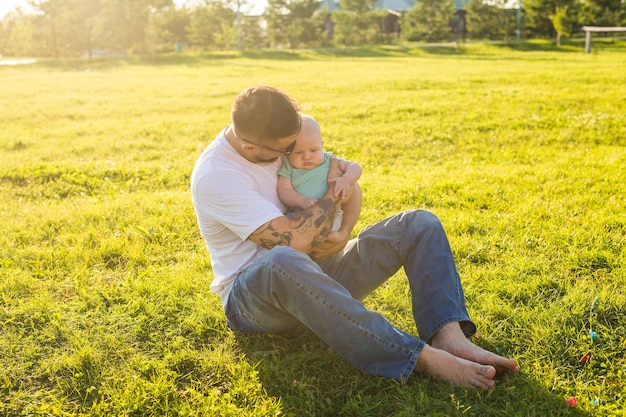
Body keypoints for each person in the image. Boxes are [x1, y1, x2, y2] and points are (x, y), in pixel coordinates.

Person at [190, 85, 519, 389]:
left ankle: (449, 336)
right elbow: (295, 243)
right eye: (283, 149)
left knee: (419, 223)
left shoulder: (276, 140)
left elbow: (334, 168)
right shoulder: (218, 176)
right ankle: (423, 359)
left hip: (318, 269)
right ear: (250, 147)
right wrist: (335, 189)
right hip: (255, 300)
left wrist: (344, 227)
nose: (289, 154)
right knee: (283, 259)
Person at [277, 115, 362, 232]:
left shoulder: (329, 159)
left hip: (331, 213)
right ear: (288, 152)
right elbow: (284, 190)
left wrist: (347, 179)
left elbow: (355, 167)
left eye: (313, 150)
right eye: (298, 152)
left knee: (326, 235)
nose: (307, 156)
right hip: (300, 211)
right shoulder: (289, 166)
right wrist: (301, 201)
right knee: (287, 232)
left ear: (322, 146)